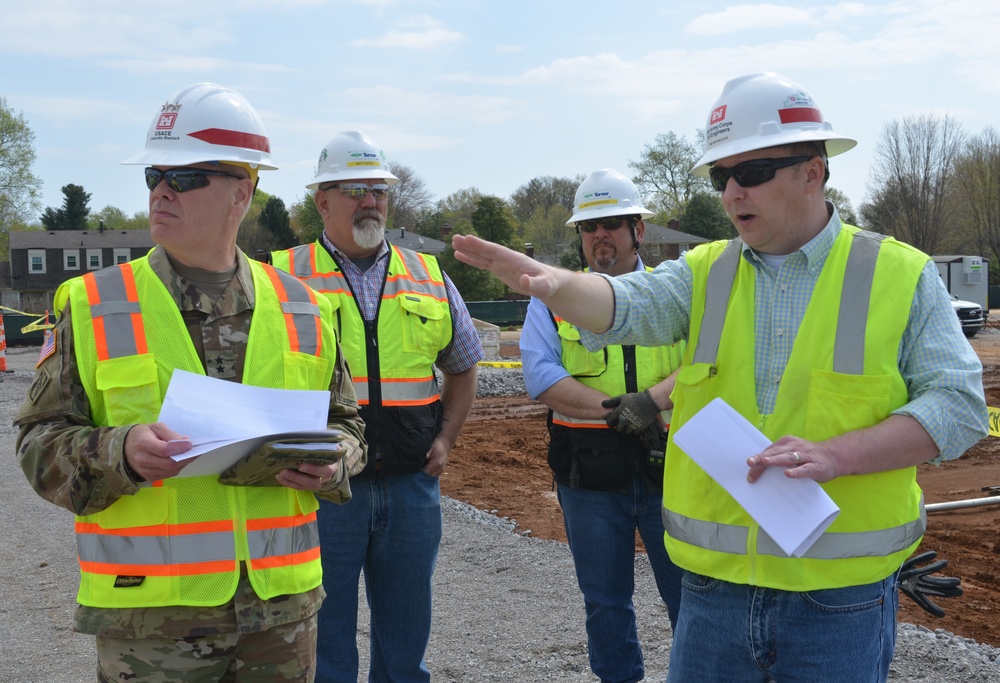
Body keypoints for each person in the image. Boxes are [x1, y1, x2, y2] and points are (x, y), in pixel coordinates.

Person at [451, 72, 989, 682]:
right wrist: (554, 284)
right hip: (712, 595)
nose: (732, 193)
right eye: (721, 176)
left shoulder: (900, 275)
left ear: (812, 171)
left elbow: (960, 406)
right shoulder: (705, 272)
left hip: (839, 598)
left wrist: (838, 455)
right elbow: (624, 305)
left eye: (751, 172)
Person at [15, 82, 368, 682]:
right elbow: (36, 445)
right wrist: (117, 450)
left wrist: (337, 461)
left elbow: (348, 425)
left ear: (244, 191)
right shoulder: (95, 304)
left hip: (280, 618)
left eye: (185, 177)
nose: (160, 190)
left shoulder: (304, 307)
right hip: (150, 624)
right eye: (155, 174)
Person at [271, 130, 483, 683]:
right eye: (354, 190)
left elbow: (464, 363)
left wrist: (448, 439)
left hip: (412, 486)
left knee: (405, 640)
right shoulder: (280, 277)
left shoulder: (428, 275)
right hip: (323, 489)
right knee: (325, 639)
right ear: (321, 200)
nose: (371, 201)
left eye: (379, 190)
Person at [519, 168, 683, 682]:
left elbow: (707, 359)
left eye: (611, 223)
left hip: (671, 471)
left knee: (692, 599)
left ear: (639, 230)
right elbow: (541, 375)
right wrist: (618, 410)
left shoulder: (673, 291)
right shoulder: (553, 299)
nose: (599, 236)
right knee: (605, 602)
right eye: (589, 227)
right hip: (588, 475)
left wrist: (651, 401)